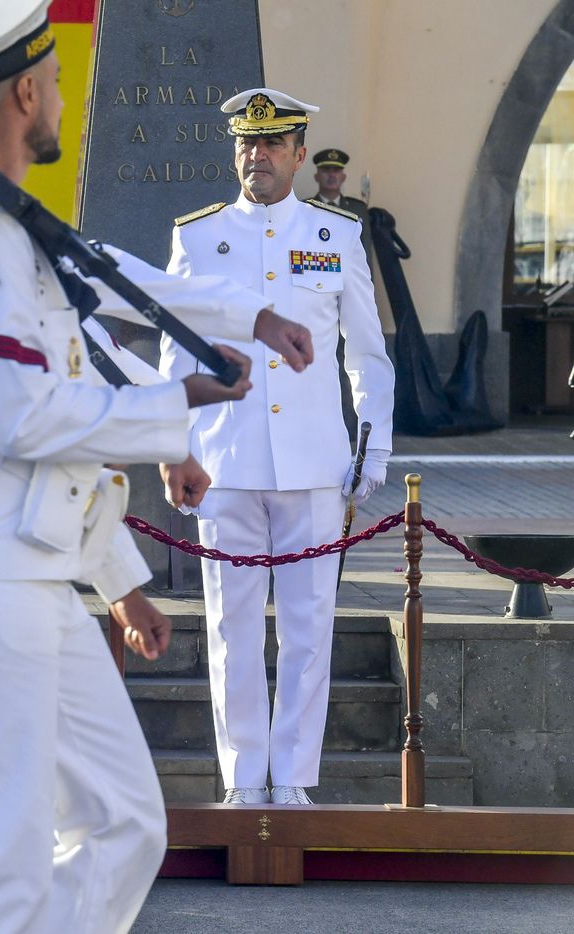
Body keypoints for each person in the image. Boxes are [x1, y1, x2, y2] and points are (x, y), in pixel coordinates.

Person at [0, 2, 258, 928]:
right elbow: (27, 423)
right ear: (22, 91)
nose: (61, 95)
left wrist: (254, 321)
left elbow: (127, 293)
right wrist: (179, 408)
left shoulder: (19, 232)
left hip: (35, 573)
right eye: (53, 80)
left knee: (125, 824)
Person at [160, 89, 395, 806]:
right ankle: (242, 779)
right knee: (231, 629)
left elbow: (368, 355)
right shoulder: (198, 236)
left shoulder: (336, 236)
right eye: (245, 144)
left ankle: (291, 779)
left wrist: (371, 449)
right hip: (226, 462)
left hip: (313, 462)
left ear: (298, 154)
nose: (255, 156)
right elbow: (175, 354)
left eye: (270, 144)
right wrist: (176, 445)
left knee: (307, 628)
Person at [311, 147, 372, 261]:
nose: (332, 175)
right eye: (326, 170)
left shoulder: (358, 209)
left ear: (343, 177)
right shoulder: (306, 208)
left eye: (336, 170)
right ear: (316, 177)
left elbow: (366, 252)